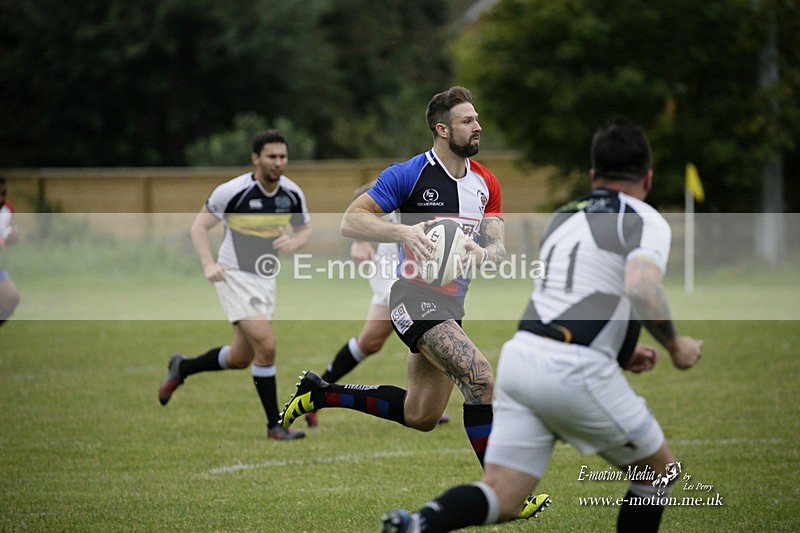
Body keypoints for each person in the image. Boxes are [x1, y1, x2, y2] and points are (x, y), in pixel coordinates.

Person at [380, 116, 704, 532]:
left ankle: (417, 524)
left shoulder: (565, 217)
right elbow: (641, 287)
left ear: (592, 175)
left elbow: (573, 298)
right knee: (659, 474)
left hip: (523, 358)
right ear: (648, 177)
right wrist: (677, 346)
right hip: (575, 368)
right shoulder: (643, 218)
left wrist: (623, 350)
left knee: (502, 494)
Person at [280, 86, 548, 519]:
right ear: (443, 129)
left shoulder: (486, 183)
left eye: (477, 119)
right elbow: (352, 220)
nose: (477, 126)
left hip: (450, 308)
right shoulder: (407, 174)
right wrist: (403, 232)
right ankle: (505, 496)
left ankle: (320, 394)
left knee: (421, 415)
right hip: (411, 299)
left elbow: (498, 247)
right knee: (479, 377)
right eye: (467, 120)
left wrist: (484, 253)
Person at [158, 130, 311, 441]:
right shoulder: (233, 191)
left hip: (265, 278)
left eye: (282, 156)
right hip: (234, 275)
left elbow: (305, 228)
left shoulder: (291, 193)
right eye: (271, 156)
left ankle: (182, 367)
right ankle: (275, 426)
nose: (278, 163)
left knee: (241, 358)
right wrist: (208, 265)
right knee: (266, 347)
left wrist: (294, 241)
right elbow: (199, 227)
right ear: (255, 158)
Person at [302, 185, 449, 428]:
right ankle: (424, 403)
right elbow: (362, 198)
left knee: (368, 343)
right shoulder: (407, 179)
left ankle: (317, 391)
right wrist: (359, 240)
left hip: (408, 273)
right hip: (389, 272)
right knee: (425, 326)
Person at [0, 176, 21, 328]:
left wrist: (8, 237)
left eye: (4, 193)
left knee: (11, 297)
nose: (1, 198)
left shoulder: (6, 211)